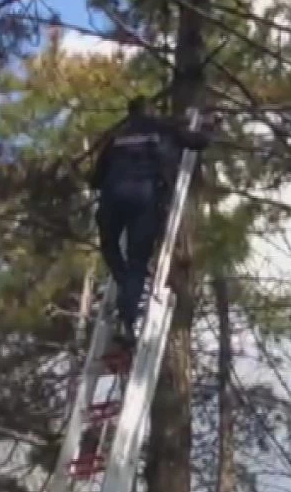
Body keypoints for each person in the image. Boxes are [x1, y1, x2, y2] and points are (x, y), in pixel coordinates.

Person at [88, 96, 211, 345]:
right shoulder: (162, 128)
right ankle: (127, 315)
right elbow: (197, 142)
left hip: (112, 201)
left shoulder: (116, 137)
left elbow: (94, 180)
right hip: (145, 199)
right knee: (137, 261)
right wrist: (210, 127)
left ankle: (124, 283)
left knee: (111, 247)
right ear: (149, 110)